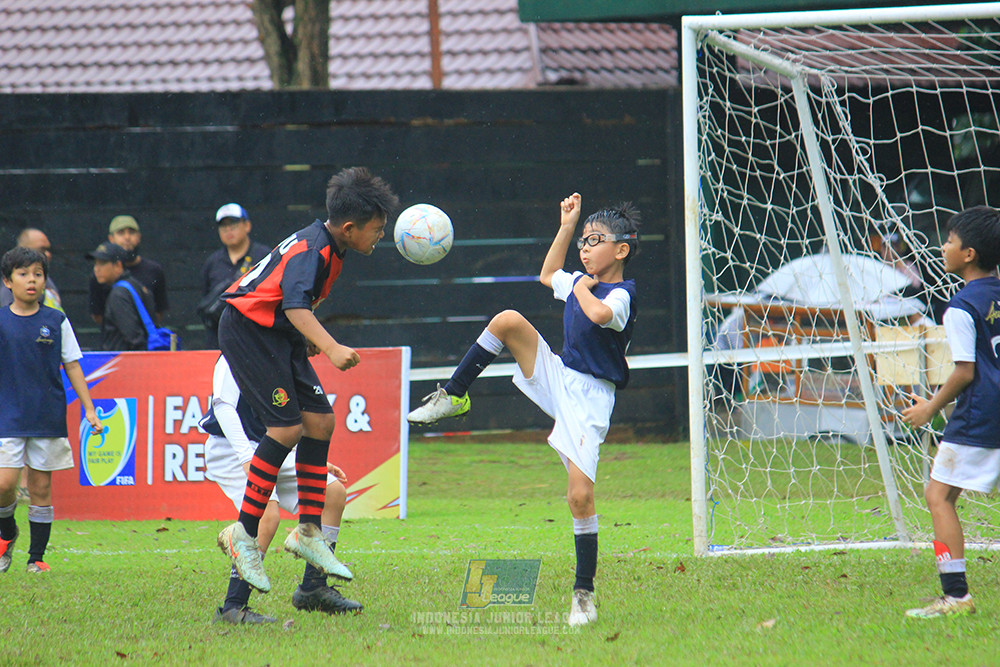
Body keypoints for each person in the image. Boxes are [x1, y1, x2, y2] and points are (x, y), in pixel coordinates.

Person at [407, 192, 639, 628]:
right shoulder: (577, 279)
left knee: (579, 496)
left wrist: (582, 287)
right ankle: (454, 395)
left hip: (590, 398)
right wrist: (567, 226)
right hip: (561, 376)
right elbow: (548, 272)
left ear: (621, 249)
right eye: (583, 242)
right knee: (508, 319)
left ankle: (583, 594)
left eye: (595, 240)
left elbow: (601, 313)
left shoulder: (622, 293)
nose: (585, 248)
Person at [215, 166, 399, 594]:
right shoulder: (314, 249)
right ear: (350, 227)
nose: (380, 236)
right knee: (286, 427)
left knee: (321, 422)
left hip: (276, 334)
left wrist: (304, 338)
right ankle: (242, 535)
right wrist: (331, 347)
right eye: (377, 229)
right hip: (247, 330)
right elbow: (297, 307)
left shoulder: (333, 248)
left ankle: (309, 533)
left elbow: (289, 304)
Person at [201, 355, 362, 624]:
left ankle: (313, 588)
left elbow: (284, 422)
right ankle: (233, 606)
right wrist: (244, 457)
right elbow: (223, 406)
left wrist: (309, 461)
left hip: (271, 447)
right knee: (267, 516)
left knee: (332, 493)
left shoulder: (286, 353)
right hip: (230, 448)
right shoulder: (239, 344)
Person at [901, 205, 1000, 619]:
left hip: (982, 413)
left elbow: (964, 371)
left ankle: (956, 596)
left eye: (950, 241)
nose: (943, 247)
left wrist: (930, 408)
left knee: (938, 494)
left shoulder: (960, 306)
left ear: (969, 254)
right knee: (948, 491)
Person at [0, 247, 102, 574]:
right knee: (4, 484)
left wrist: (89, 409)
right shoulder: (1, 320)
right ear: (7, 281)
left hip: (46, 415)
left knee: (41, 489)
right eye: (23, 274)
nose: (31, 280)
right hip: (7, 416)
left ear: (45, 280)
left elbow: (71, 365)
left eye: (37, 274)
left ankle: (36, 558)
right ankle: (7, 534)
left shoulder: (55, 321)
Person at [199, 204, 271, 348]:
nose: (228, 230)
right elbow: (206, 299)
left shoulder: (264, 256)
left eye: (233, 225)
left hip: (257, 339)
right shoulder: (212, 263)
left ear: (247, 226)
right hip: (220, 340)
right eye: (223, 227)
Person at [88, 215, 168, 325]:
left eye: (131, 232)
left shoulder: (154, 270)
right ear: (111, 239)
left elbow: (159, 311)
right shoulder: (101, 274)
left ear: (139, 237)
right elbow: (97, 314)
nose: (127, 238)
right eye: (121, 233)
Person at [86, 241, 156, 351]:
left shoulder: (118, 294)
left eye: (102, 263)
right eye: (95, 263)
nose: (96, 269)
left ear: (118, 265)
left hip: (125, 363)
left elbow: (134, 338)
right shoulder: (135, 285)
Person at [0, 228, 61, 311]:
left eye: (38, 275)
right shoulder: (11, 289)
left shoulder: (46, 280)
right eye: (42, 249)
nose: (48, 254)